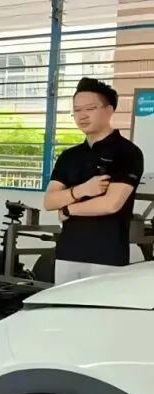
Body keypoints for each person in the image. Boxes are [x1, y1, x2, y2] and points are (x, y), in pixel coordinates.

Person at [44, 77, 143, 284]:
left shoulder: (127, 152)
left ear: (109, 110)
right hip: (67, 253)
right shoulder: (69, 156)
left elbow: (111, 203)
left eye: (90, 108)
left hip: (107, 256)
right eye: (77, 110)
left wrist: (68, 209)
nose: (82, 115)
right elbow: (49, 201)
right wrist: (81, 190)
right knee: (62, 304)